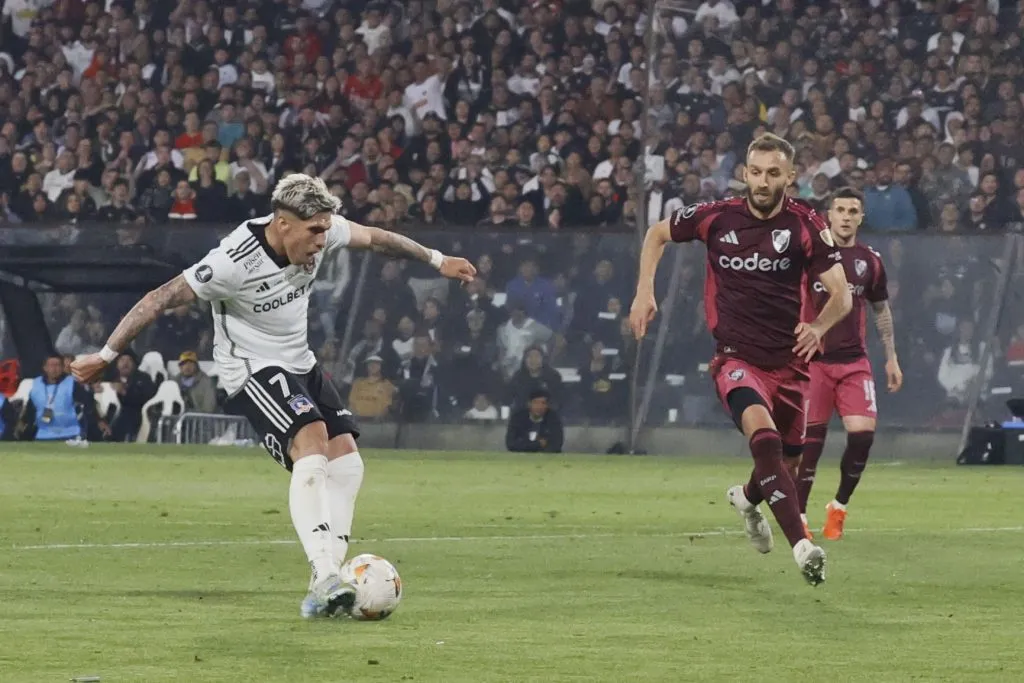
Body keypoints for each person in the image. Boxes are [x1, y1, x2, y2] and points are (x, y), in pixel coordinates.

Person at [72, 174, 476, 618]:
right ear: (283, 224)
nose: (324, 240)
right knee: (312, 439)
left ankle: (324, 585)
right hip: (250, 368)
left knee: (347, 460)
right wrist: (106, 353)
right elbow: (159, 298)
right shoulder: (232, 260)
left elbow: (377, 238)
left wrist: (438, 260)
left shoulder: (322, 229)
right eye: (315, 231)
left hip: (300, 362)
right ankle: (324, 574)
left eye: (326, 228)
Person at [629, 134, 853, 586]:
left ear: (790, 177)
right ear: (744, 172)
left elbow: (842, 295)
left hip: (789, 367)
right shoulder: (716, 217)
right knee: (765, 440)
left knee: (783, 468)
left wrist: (818, 327)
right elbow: (657, 234)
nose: (763, 181)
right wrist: (643, 291)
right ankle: (803, 547)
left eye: (774, 173)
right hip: (736, 359)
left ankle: (747, 499)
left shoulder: (806, 225)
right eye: (756, 171)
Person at [796, 189, 904, 541]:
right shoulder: (809, 255)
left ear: (861, 217)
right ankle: (797, 515)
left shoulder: (869, 260)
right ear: (829, 214)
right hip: (813, 363)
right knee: (810, 444)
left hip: (854, 363)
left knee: (862, 435)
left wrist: (891, 357)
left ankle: (838, 507)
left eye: (852, 211)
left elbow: (880, 310)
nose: (845, 216)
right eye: (839, 209)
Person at [21, 354, 96, 442]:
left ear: (62, 367)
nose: (55, 369)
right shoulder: (37, 384)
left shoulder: (72, 383)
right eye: (51, 365)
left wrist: (99, 420)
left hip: (70, 433)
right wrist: (23, 421)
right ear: (45, 368)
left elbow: (88, 404)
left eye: (58, 365)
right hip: (43, 434)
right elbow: (31, 407)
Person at [506, 388, 564, 453]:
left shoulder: (553, 418)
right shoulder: (517, 418)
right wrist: (537, 444)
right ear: (529, 404)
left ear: (547, 405)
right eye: (536, 402)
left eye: (543, 403)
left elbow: (556, 445)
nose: (539, 406)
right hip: (521, 458)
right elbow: (511, 444)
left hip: (546, 459)